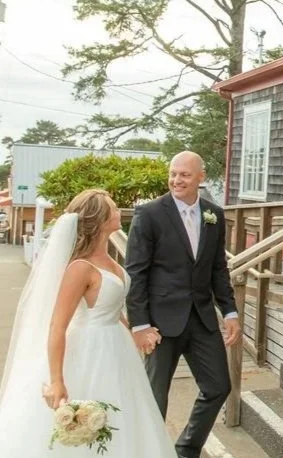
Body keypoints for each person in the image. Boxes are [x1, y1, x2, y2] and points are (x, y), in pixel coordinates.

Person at [0, 189, 176, 456]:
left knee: (125, 419)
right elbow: (57, 326)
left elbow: (113, 309)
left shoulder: (110, 260)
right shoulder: (79, 268)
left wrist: (137, 333)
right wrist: (57, 380)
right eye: (114, 208)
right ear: (100, 219)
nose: (119, 211)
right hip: (90, 350)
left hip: (118, 350)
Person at [126, 151, 240, 458]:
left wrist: (229, 311)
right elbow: (135, 272)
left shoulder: (213, 214)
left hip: (202, 318)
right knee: (154, 398)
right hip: (160, 323)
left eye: (185, 175)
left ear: (200, 177)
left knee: (218, 386)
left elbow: (218, 268)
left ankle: (186, 450)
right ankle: (148, 452)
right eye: (173, 173)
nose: (177, 180)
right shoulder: (149, 214)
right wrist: (140, 324)